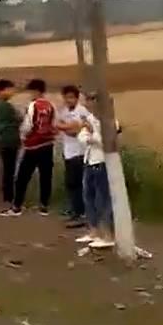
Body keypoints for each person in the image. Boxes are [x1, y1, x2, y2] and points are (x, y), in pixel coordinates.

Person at [3, 79, 57, 217]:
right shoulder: (50, 106)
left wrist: (22, 136)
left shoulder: (33, 105)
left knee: (22, 176)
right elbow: (52, 124)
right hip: (47, 144)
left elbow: (28, 125)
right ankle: (44, 206)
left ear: (36, 91)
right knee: (45, 176)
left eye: (31, 91)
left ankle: (17, 206)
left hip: (33, 146)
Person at [75, 94, 115, 249]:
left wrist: (93, 134)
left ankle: (108, 235)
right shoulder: (90, 119)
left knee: (102, 199)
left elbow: (108, 142)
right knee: (88, 197)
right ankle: (94, 231)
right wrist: (90, 136)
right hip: (89, 161)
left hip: (102, 162)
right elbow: (82, 136)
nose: (88, 103)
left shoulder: (110, 121)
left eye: (92, 100)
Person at [57, 85, 89, 227]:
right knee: (70, 184)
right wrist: (67, 127)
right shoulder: (64, 112)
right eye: (66, 97)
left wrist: (65, 127)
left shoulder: (82, 111)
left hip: (80, 152)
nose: (69, 100)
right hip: (68, 152)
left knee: (78, 183)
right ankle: (75, 211)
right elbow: (58, 125)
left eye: (71, 97)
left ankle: (82, 214)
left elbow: (76, 131)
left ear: (77, 98)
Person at [0, 79, 22, 209]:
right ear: (1, 91)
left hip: (3, 140)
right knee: (9, 171)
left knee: (7, 170)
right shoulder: (5, 106)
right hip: (8, 141)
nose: (12, 92)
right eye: (10, 89)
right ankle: (8, 199)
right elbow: (18, 118)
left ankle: (7, 197)